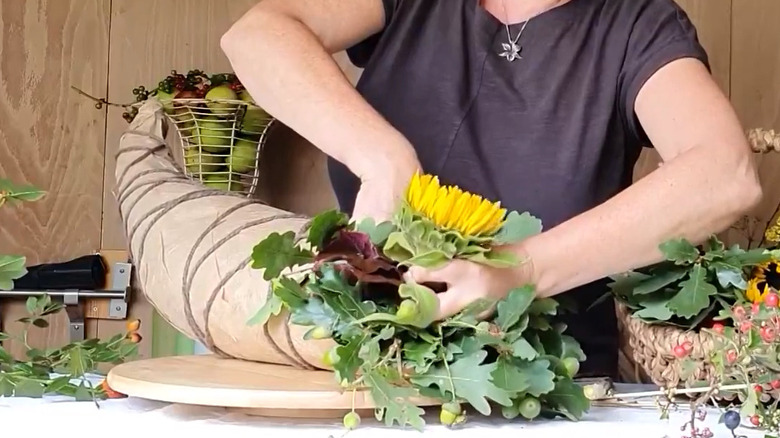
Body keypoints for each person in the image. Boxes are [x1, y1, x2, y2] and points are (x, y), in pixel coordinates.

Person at [221, 0, 763, 379]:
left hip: (546, 386)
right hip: (375, 371)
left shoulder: (637, 24)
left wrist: (518, 271)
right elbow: (255, 35)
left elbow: (724, 173)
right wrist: (384, 159)